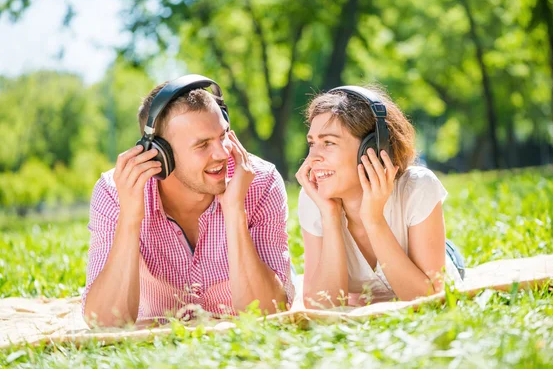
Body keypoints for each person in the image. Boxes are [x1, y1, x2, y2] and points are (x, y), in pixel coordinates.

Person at [82, 75, 294, 327]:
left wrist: (235, 211)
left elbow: (270, 314)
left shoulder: (260, 181)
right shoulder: (114, 192)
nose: (223, 153)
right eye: (202, 144)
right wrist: (129, 219)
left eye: (223, 135)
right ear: (159, 155)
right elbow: (104, 323)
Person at [296, 85, 464, 309]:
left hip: (438, 255)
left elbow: (428, 300)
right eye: (312, 143)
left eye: (329, 143)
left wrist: (373, 220)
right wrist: (330, 217)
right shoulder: (313, 198)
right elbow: (321, 306)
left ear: (371, 149)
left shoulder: (417, 187)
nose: (313, 158)